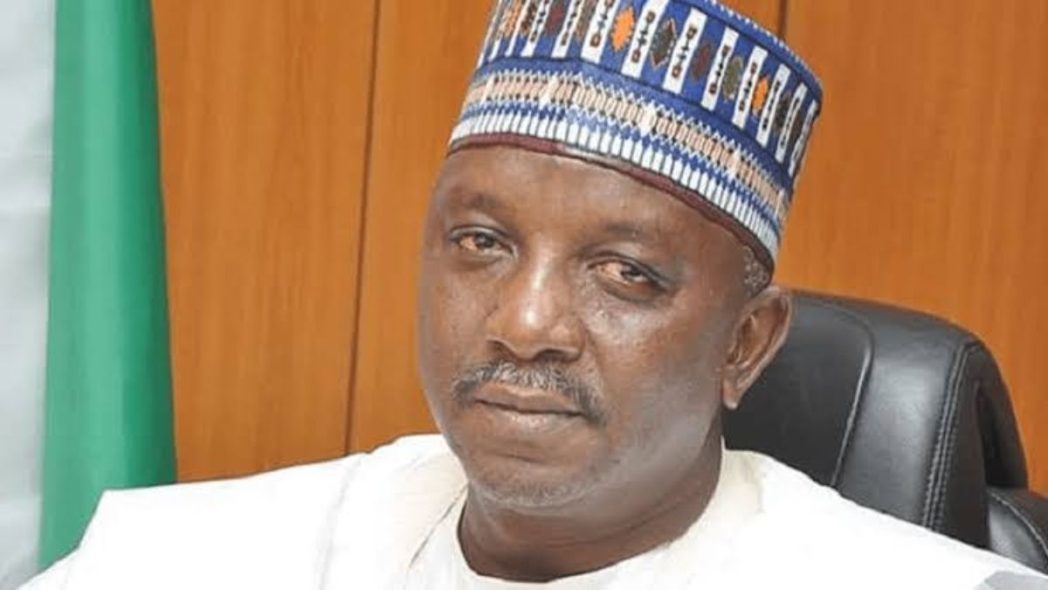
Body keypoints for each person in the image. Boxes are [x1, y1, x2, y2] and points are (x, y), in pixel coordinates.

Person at [21, 0, 1048, 588]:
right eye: (482, 243)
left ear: (744, 342)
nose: (523, 323)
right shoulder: (212, 555)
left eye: (624, 273)